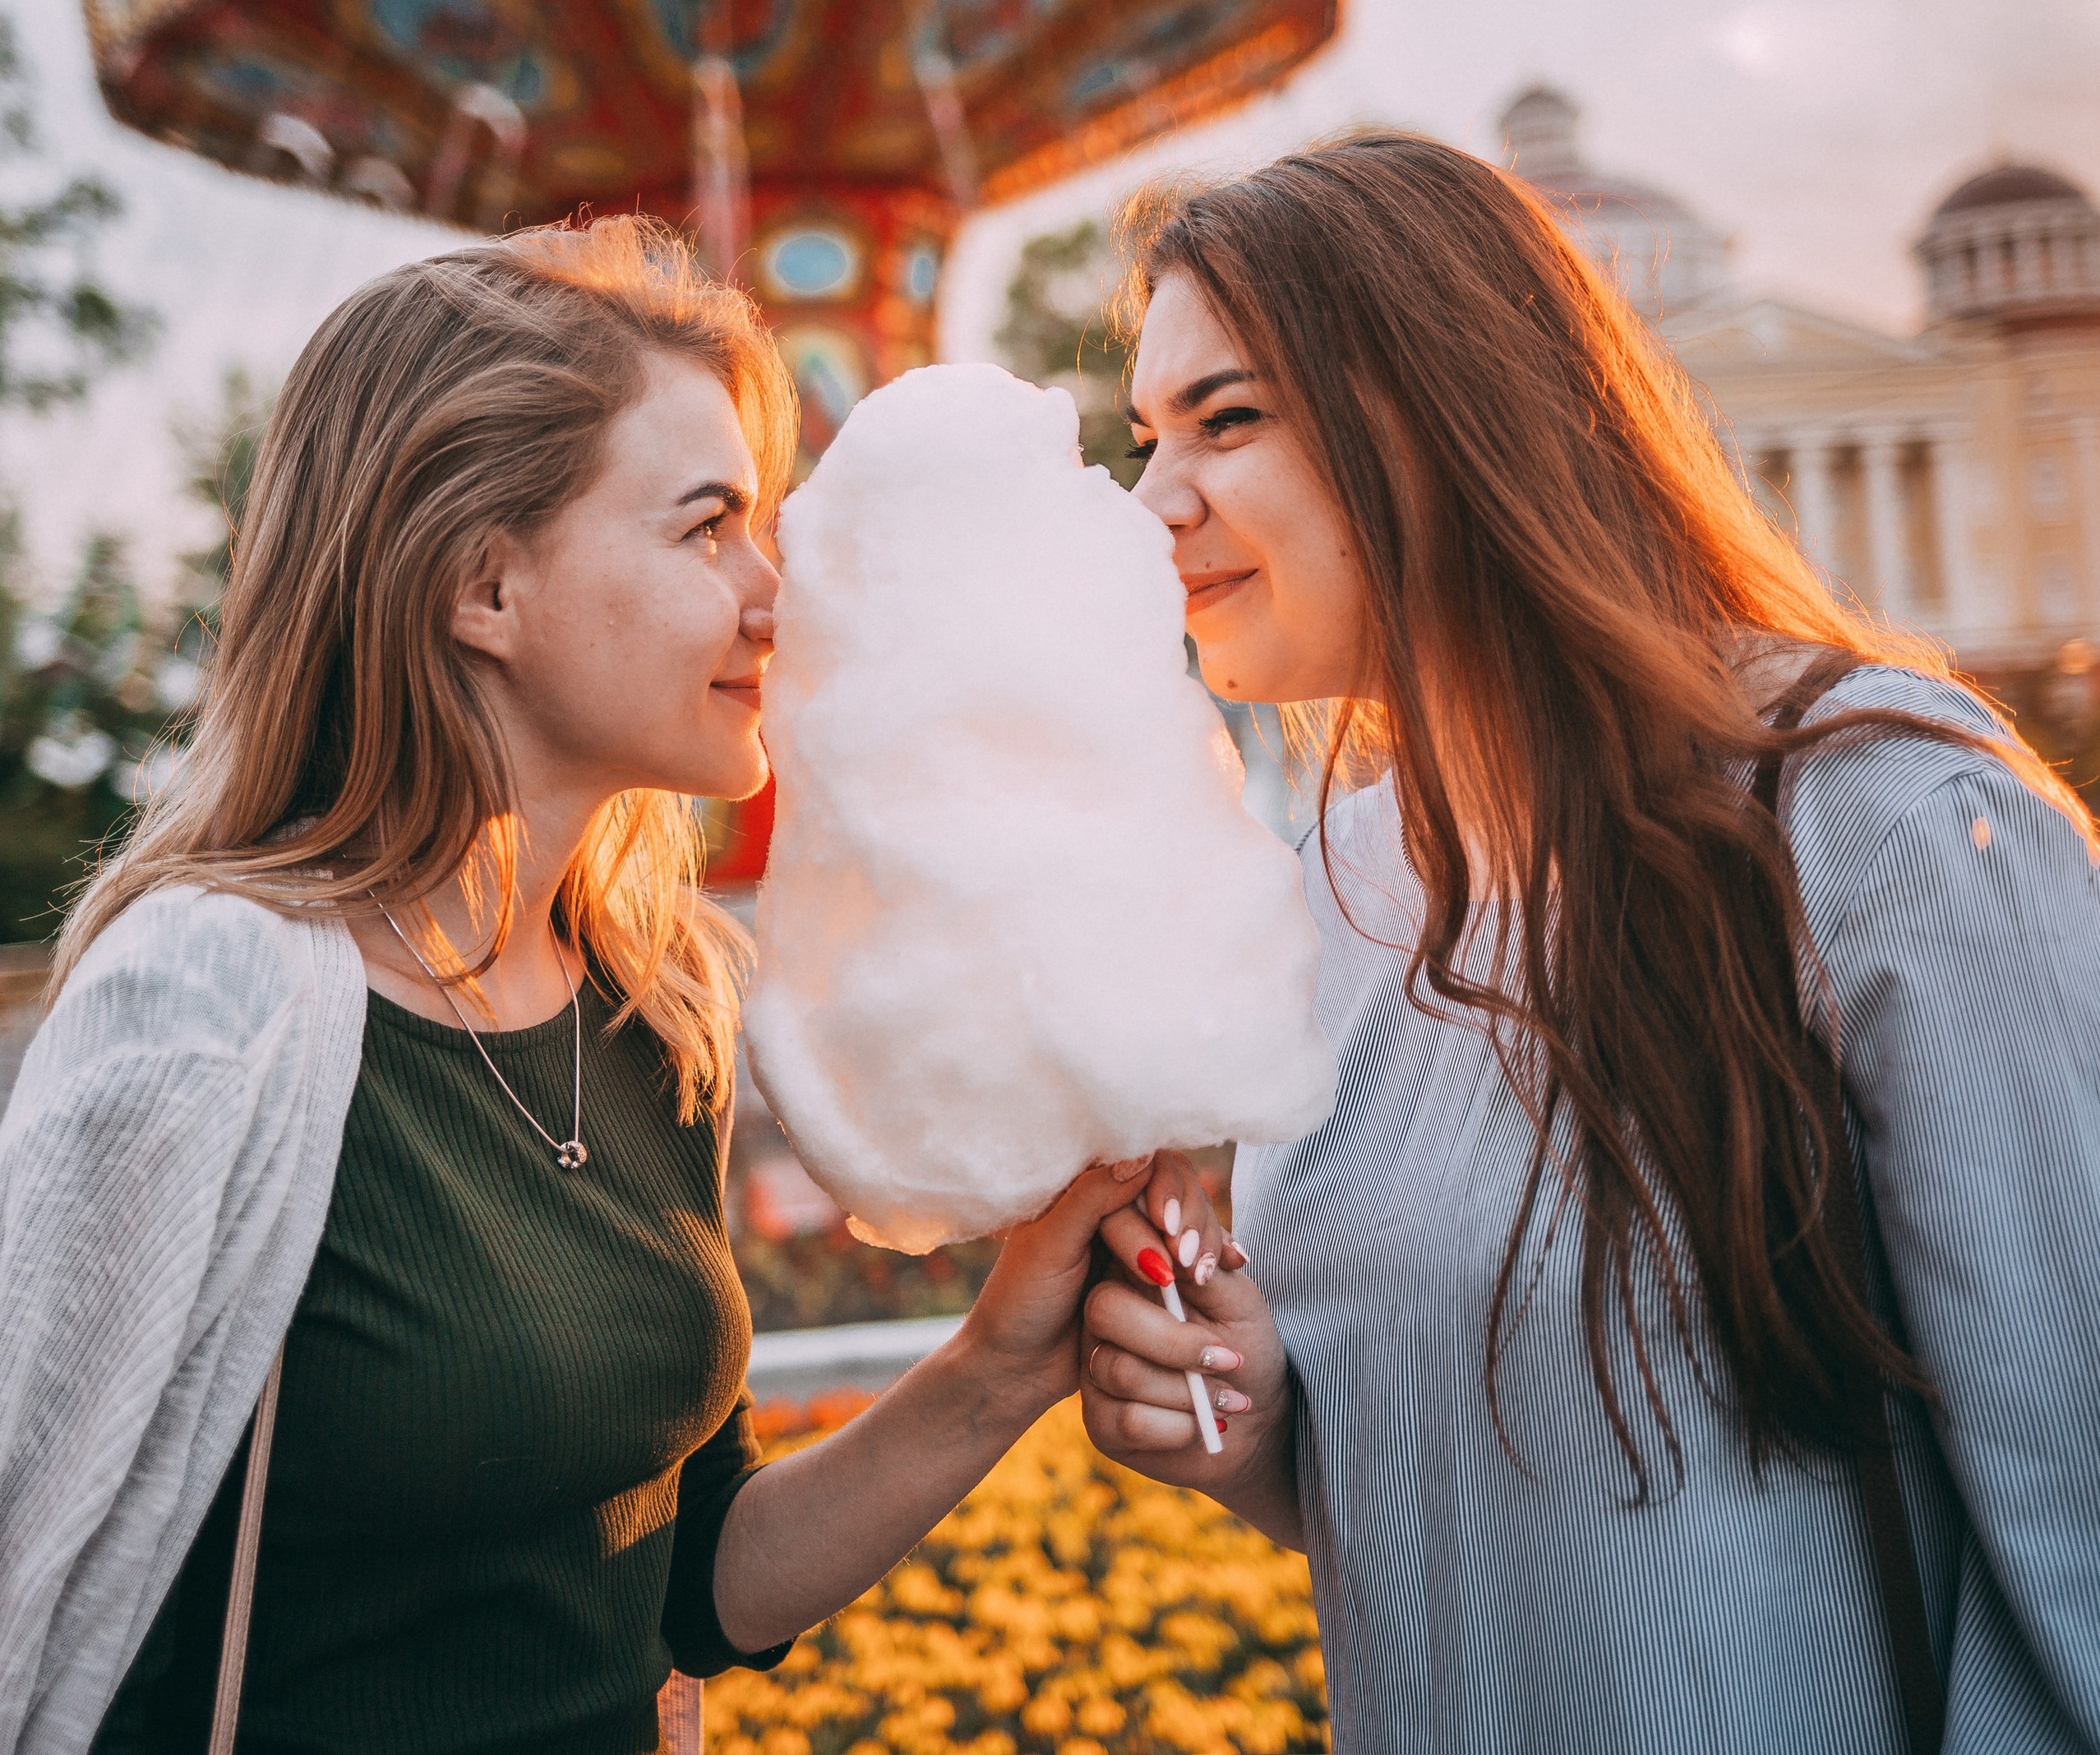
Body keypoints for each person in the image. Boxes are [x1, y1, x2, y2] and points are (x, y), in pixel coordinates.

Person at [0, 216, 1230, 1755]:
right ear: (482, 588)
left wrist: (1000, 1366)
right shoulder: (211, 1008)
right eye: (705, 527)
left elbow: (691, 1583)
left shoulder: (654, 1015)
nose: (774, 593)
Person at [1078, 134, 2100, 1753]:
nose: (1153, 505)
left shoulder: (1873, 825)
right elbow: (1519, 1491)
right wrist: (1265, 1428)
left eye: (1227, 418)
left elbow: (2079, 1507)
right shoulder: (1338, 887)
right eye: (1146, 436)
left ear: (1445, 416)